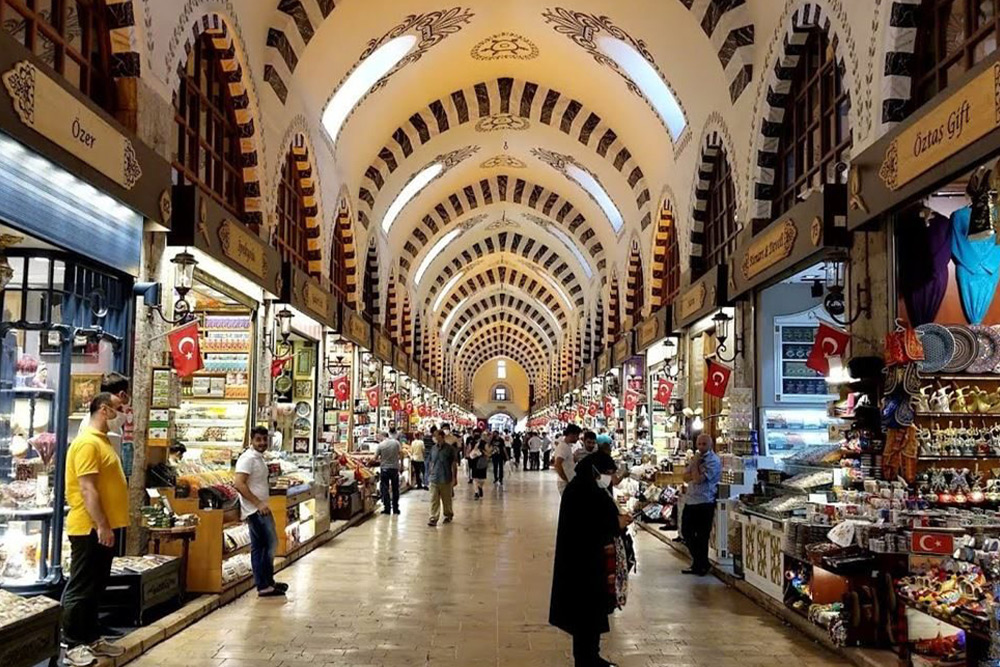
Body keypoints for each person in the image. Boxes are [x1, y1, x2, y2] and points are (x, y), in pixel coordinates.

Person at [61, 393, 130, 666]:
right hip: (89, 527)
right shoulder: (87, 444)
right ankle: (72, 643)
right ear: (104, 410)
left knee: (96, 586)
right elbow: (87, 489)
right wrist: (101, 524)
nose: (122, 414)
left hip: (103, 527)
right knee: (82, 586)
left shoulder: (102, 442)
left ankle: (91, 638)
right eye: (118, 409)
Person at [550, 452, 631, 667]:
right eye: (607, 473)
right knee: (585, 613)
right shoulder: (581, 492)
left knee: (591, 613)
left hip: (590, 562)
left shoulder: (587, 488)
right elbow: (590, 525)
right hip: (584, 565)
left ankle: (591, 655)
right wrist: (617, 523)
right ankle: (586, 658)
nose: (608, 478)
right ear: (595, 470)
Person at [233, 426, 287, 598]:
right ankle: (263, 585)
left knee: (266, 546)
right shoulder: (247, 459)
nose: (262, 443)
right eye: (259, 440)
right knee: (265, 546)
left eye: (264, 440)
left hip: (261, 508)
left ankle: (268, 582)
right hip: (255, 510)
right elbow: (239, 484)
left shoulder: (259, 458)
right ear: (252, 440)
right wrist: (257, 504)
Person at [681, 434, 722, 576]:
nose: (701, 447)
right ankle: (701, 562)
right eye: (699, 444)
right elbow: (685, 477)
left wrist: (696, 466)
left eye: (704, 444)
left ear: (710, 445)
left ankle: (700, 565)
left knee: (702, 536)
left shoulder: (713, 461)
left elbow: (697, 480)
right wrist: (695, 468)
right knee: (686, 532)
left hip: (705, 501)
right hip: (691, 500)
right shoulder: (695, 459)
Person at [426, 429, 459, 526]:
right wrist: (430, 473)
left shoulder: (449, 449)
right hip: (434, 478)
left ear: (441, 436)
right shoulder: (433, 449)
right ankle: (433, 517)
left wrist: (454, 478)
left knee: (446, 499)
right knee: (433, 499)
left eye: (436, 436)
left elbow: (453, 464)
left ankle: (448, 515)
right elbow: (431, 462)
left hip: (446, 477)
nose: (434, 438)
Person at [375, 427, 402, 514]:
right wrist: (400, 464)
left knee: (385, 489)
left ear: (382, 436)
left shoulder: (381, 445)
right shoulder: (396, 443)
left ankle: (387, 508)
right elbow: (401, 454)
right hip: (394, 468)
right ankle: (395, 508)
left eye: (378, 436)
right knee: (395, 489)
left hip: (384, 469)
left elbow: (374, 458)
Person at [554, 424, 582, 495]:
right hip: (565, 482)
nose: (578, 438)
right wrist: (566, 479)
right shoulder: (564, 447)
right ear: (571, 434)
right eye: (577, 436)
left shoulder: (567, 446)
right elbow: (557, 464)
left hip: (569, 480)